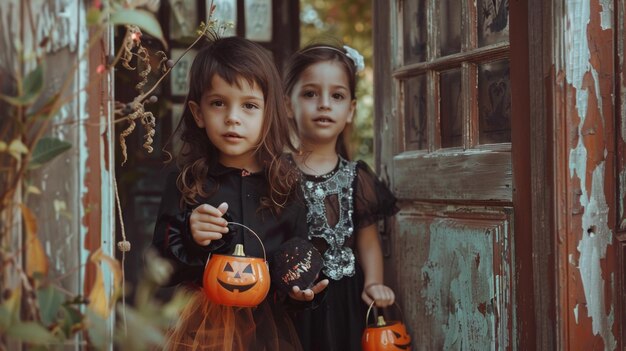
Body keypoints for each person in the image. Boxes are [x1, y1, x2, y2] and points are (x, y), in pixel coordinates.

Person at [152, 36, 326, 351]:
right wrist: (191, 237)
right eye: (219, 103)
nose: (233, 116)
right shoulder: (185, 182)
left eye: (248, 105)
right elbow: (161, 270)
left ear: (268, 113)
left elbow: (298, 261)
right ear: (198, 112)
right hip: (199, 332)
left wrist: (302, 291)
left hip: (267, 334)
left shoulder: (287, 188)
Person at [283, 43, 400, 351]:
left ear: (350, 110)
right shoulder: (278, 174)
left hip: (348, 299)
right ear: (287, 105)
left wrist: (374, 282)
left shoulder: (357, 176)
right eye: (310, 94)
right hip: (297, 299)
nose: (324, 104)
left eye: (336, 96)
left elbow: (368, 240)